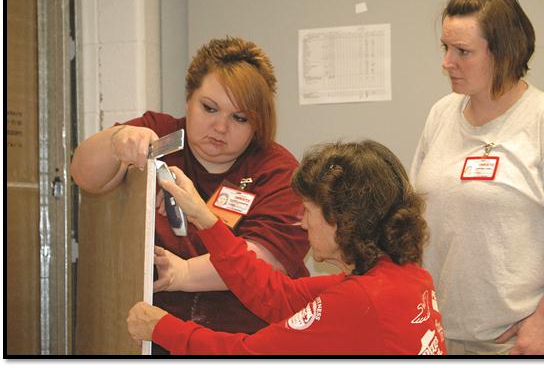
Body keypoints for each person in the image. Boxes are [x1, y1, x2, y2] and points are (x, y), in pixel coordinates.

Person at [409, 0, 544, 355]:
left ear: (503, 53)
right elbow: (418, 218)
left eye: (463, 51)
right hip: (447, 337)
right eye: (445, 47)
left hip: (523, 343)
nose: (446, 62)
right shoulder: (441, 114)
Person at [70, 36, 310, 351]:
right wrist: (118, 141)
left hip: (245, 340)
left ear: (258, 124)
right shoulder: (158, 135)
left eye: (240, 118)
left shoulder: (277, 170)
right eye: (209, 108)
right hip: (156, 334)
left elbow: (262, 264)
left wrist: (182, 273)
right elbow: (84, 175)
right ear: (189, 98)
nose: (221, 127)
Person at [127, 140, 446, 355]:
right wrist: (204, 218)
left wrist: (160, 327)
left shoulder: (360, 301)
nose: (302, 223)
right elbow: (276, 295)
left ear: (340, 220)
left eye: (308, 210)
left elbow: (246, 354)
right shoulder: (404, 279)